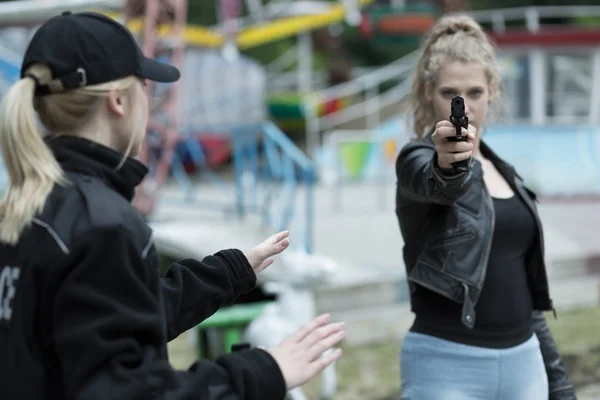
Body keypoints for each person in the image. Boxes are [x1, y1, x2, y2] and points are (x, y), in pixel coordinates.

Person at [0, 11, 344, 400]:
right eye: (145, 86)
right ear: (118, 101)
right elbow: (132, 391)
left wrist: (230, 271)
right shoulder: (104, 226)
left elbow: (106, 323)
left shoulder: (28, 208)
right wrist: (265, 371)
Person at [395, 14, 576, 400]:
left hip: (524, 362)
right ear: (429, 92)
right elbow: (438, 181)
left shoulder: (506, 172)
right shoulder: (416, 158)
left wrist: (558, 383)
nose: (465, 104)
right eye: (450, 92)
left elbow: (526, 295)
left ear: (492, 89)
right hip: (446, 362)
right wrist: (449, 163)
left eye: (475, 92)